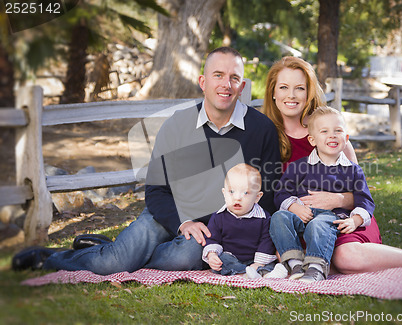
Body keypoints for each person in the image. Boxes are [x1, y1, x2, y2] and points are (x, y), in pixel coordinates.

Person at [12, 47, 281, 275]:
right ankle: (50, 257)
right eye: (218, 75)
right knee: (113, 262)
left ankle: (124, 251)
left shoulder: (262, 130)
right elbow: (155, 190)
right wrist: (182, 223)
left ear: (242, 86)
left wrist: (233, 231)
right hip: (168, 212)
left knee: (184, 258)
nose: (226, 84)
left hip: (216, 226)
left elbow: (265, 195)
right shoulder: (177, 126)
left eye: (234, 78)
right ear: (203, 81)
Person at [263, 56, 402, 274]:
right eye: (283, 87)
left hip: (341, 217)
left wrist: (337, 199)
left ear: (309, 92)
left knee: (346, 257)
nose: (291, 95)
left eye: (299, 88)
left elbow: (358, 190)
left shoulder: (330, 135)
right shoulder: (264, 135)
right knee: (285, 252)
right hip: (299, 220)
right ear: (273, 92)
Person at [270, 107, 373, 282]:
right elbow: (281, 192)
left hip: (331, 219)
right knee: (279, 217)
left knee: (318, 223)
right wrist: (295, 208)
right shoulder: (299, 166)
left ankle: (316, 268)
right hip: (303, 216)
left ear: (346, 138)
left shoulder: (352, 170)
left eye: (338, 131)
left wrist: (355, 220)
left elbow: (365, 200)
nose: (332, 135)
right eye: (324, 131)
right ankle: (295, 263)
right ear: (312, 139)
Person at [203, 163, 282, 279]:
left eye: (245, 193)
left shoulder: (263, 218)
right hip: (231, 257)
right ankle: (247, 272)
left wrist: (258, 263)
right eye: (231, 192)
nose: (237, 197)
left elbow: (266, 241)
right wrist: (212, 255)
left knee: (269, 262)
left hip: (255, 258)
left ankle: (262, 271)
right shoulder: (218, 216)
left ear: (257, 197)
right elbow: (212, 238)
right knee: (222, 260)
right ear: (224, 193)